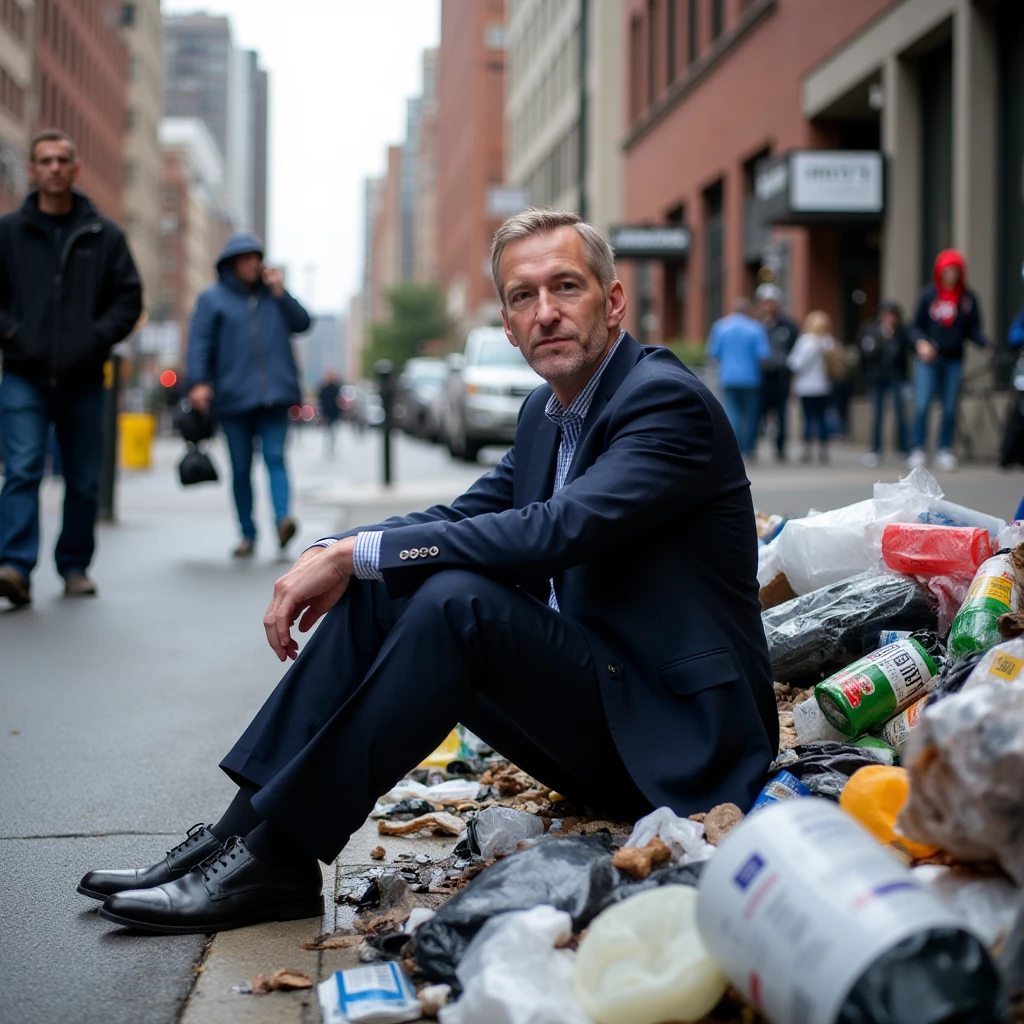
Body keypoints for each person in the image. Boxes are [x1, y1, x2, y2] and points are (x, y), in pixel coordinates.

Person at [78, 209, 777, 935]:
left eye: (566, 287)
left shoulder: (663, 401)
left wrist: (359, 555)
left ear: (612, 300)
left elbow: (551, 532)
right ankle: (237, 840)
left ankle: (279, 852)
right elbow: (460, 515)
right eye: (523, 296)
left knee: (454, 601)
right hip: (606, 707)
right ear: (506, 324)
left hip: (686, 740)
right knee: (390, 580)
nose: (546, 312)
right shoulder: (548, 412)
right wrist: (339, 553)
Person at [0, 130, 142, 608]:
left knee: (82, 478)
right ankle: (15, 567)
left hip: (84, 377)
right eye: (46, 160)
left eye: (63, 159)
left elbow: (129, 299)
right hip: (23, 373)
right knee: (21, 469)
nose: (55, 167)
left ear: (75, 168)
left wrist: (94, 337)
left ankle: (75, 565)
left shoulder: (105, 235)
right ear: (33, 170)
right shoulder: (8, 232)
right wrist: (15, 334)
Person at [186, 234, 312, 558]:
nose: (253, 264)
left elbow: (303, 323)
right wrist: (198, 382)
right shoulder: (212, 299)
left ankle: (283, 521)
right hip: (232, 397)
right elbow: (199, 342)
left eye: (257, 258)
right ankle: (247, 534)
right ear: (231, 264)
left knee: (275, 459)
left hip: (275, 396)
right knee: (240, 467)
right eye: (246, 259)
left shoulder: (274, 297)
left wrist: (281, 292)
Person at [907, 250, 989, 472]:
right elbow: (913, 327)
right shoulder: (928, 295)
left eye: (955, 270)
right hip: (928, 360)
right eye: (947, 269)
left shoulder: (967, 299)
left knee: (950, 407)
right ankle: (918, 448)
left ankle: (945, 449)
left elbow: (973, 329)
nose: (951, 274)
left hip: (954, 359)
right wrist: (921, 343)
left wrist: (987, 344)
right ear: (940, 271)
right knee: (922, 404)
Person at [706, 297, 770, 458]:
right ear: (748, 310)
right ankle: (748, 449)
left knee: (732, 412)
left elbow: (713, 354)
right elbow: (763, 356)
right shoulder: (755, 328)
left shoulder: (721, 326)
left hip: (728, 376)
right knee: (750, 415)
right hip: (751, 378)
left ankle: (733, 448)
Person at [858, 300, 909, 468]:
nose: (889, 318)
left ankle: (904, 449)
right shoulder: (870, 330)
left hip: (896, 378)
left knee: (900, 414)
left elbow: (905, 355)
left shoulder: (901, 332)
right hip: (876, 378)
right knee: (878, 415)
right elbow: (866, 353)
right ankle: (875, 450)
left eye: (892, 315)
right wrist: (883, 338)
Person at [755, 283, 800, 461]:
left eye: (770, 302)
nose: (767, 306)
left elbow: (796, 350)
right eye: (764, 302)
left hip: (781, 376)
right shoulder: (756, 325)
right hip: (761, 376)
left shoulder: (788, 326)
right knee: (759, 413)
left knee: (782, 413)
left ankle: (780, 448)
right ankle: (754, 447)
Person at [787, 310, 835, 464]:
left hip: (807, 387)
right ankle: (823, 448)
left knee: (808, 418)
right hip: (824, 386)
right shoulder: (829, 342)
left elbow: (795, 364)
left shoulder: (806, 341)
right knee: (821, 417)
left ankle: (807, 449)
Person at [317, 369, 343, 458]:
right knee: (329, 430)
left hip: (331, 411)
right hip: (329, 412)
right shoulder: (327, 387)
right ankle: (330, 445)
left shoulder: (334, 387)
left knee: (331, 430)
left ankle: (331, 444)